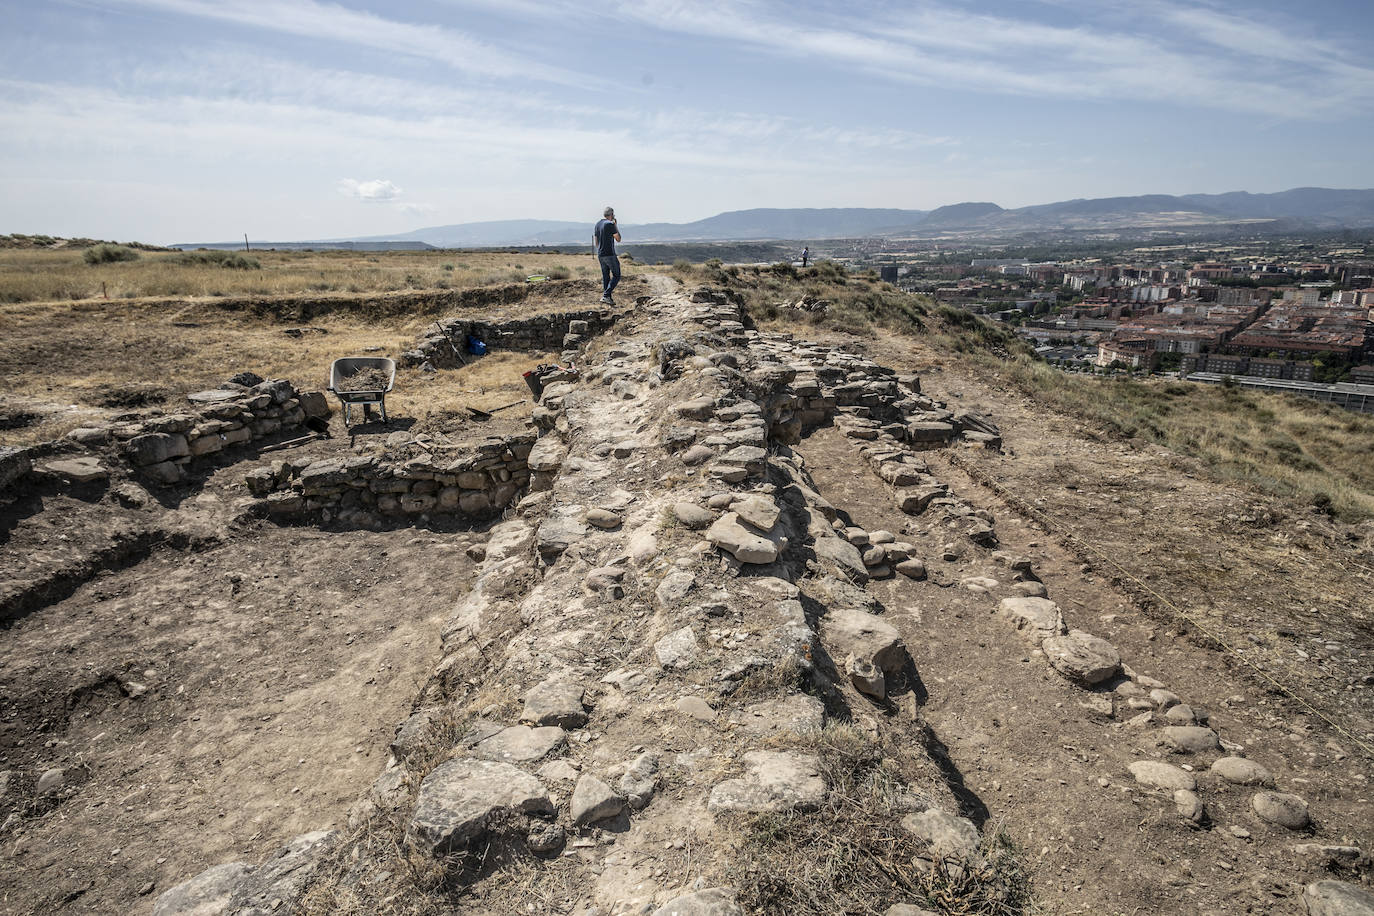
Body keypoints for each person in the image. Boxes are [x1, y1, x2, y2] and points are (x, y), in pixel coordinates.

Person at [594, 206, 621, 304]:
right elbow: (618, 239)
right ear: (612, 214)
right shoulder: (610, 224)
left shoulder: (597, 224)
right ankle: (606, 295)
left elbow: (596, 242)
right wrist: (615, 225)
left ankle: (607, 298)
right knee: (617, 275)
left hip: (600, 254)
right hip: (609, 254)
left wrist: (600, 249)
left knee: (606, 276)